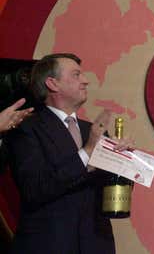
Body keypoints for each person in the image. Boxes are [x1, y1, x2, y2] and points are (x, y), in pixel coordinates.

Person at [7, 53, 131, 254]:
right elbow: (35, 188)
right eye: (76, 75)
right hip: (49, 245)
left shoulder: (93, 131)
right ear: (52, 84)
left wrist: (123, 164)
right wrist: (88, 152)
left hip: (96, 245)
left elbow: (110, 197)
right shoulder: (26, 129)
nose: (85, 80)